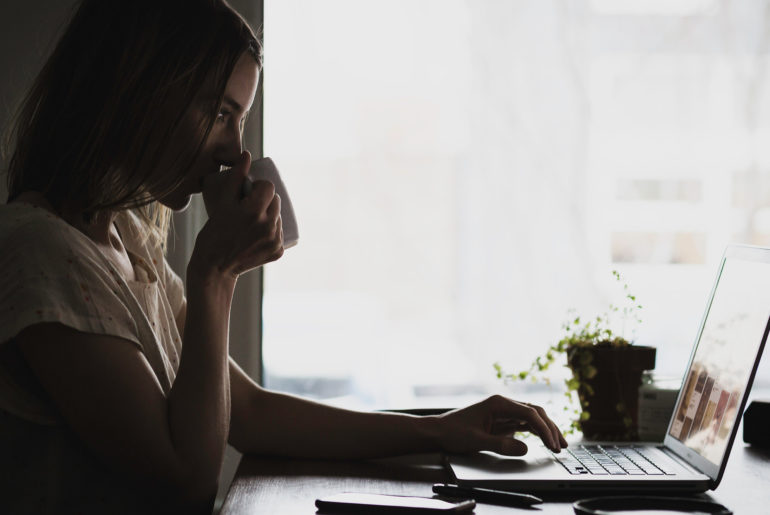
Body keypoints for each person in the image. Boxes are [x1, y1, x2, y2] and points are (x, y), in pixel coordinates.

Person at [0, 0, 568, 513]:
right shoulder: (44, 252)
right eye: (221, 113)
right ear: (141, 93)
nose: (235, 149)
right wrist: (216, 275)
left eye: (240, 120)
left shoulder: (125, 240)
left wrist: (439, 430)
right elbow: (182, 483)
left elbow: (248, 412)